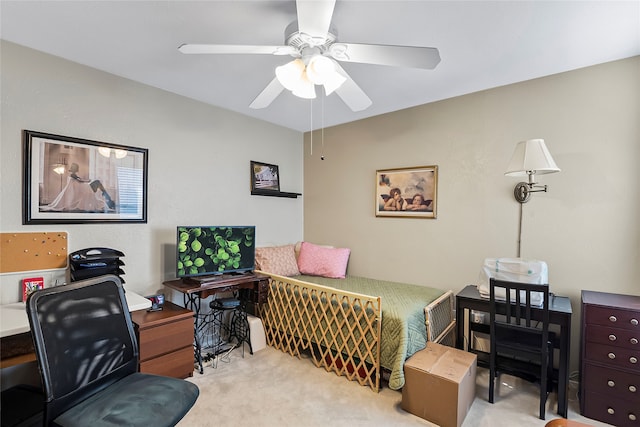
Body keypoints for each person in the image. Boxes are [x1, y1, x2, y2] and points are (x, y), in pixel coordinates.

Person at [41, 163, 115, 212]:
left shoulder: (73, 175)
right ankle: (108, 198)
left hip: (83, 188)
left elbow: (79, 180)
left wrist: (87, 181)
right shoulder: (73, 175)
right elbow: (80, 181)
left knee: (98, 183)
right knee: (98, 182)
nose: (77, 169)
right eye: (76, 168)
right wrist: (88, 180)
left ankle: (107, 197)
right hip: (84, 189)